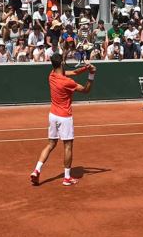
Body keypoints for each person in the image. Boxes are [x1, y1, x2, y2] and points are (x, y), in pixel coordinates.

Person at [30, 55, 96, 186]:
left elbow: (73, 72)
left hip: (53, 115)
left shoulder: (52, 75)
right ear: (61, 63)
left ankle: (36, 170)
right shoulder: (68, 82)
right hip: (65, 117)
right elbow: (86, 90)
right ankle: (67, 178)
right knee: (68, 146)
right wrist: (92, 74)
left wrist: (86, 68)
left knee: (50, 144)